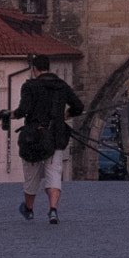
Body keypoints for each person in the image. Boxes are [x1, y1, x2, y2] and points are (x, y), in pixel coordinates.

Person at [10, 54, 82, 224]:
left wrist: (12, 114)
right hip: (55, 137)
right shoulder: (61, 86)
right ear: (49, 68)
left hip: (34, 137)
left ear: (35, 69)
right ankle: (53, 209)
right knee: (54, 173)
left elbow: (24, 109)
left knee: (31, 176)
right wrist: (66, 114)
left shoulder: (30, 86)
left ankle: (29, 209)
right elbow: (78, 106)